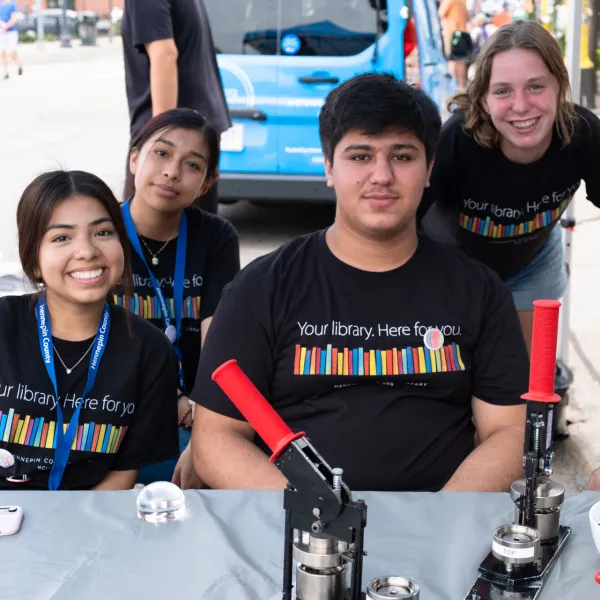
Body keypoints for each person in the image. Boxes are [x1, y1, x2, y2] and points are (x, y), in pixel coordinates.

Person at [182, 73, 530, 493]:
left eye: (402, 156)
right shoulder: (261, 288)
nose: (381, 175)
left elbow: (509, 433)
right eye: (360, 156)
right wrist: (317, 520)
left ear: (429, 168)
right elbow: (216, 438)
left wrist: (436, 523)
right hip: (294, 535)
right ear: (328, 166)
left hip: (436, 535)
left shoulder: (479, 290)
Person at [417, 20, 600, 353]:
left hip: (531, 263)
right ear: (484, 99)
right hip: (451, 264)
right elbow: (402, 216)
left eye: (536, 86)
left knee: (521, 376)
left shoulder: (583, 133)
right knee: (453, 376)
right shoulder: (458, 139)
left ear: (560, 86)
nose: (520, 105)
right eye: (503, 90)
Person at [0, 171, 179, 490]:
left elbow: (124, 474)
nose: (86, 251)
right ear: (34, 260)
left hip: (91, 523)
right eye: (61, 238)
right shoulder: (4, 326)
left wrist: (73, 536)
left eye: (103, 232)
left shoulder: (148, 350)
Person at [118, 108, 240, 486]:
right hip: (120, 403)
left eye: (192, 164)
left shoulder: (216, 237)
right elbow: (97, 339)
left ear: (206, 182)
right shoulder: (102, 231)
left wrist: (206, 423)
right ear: (134, 157)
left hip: (195, 409)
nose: (172, 171)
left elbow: (217, 335)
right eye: (162, 153)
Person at [121, 0, 230, 214]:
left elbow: (164, 53)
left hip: (176, 135)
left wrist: (161, 142)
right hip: (196, 132)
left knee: (137, 235)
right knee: (196, 235)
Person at [438, 0, 470, 91]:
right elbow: (467, 17)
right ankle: (461, 86)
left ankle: (452, 86)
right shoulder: (463, 1)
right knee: (461, 60)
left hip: (451, 34)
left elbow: (441, 12)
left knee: (452, 60)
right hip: (462, 33)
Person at [0, 0, 23, 80]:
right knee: (2, 52)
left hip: (11, 32)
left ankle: (19, 65)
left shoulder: (12, 4)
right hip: (2, 33)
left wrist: (5, 27)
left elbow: (14, 19)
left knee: (11, 52)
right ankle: (6, 72)